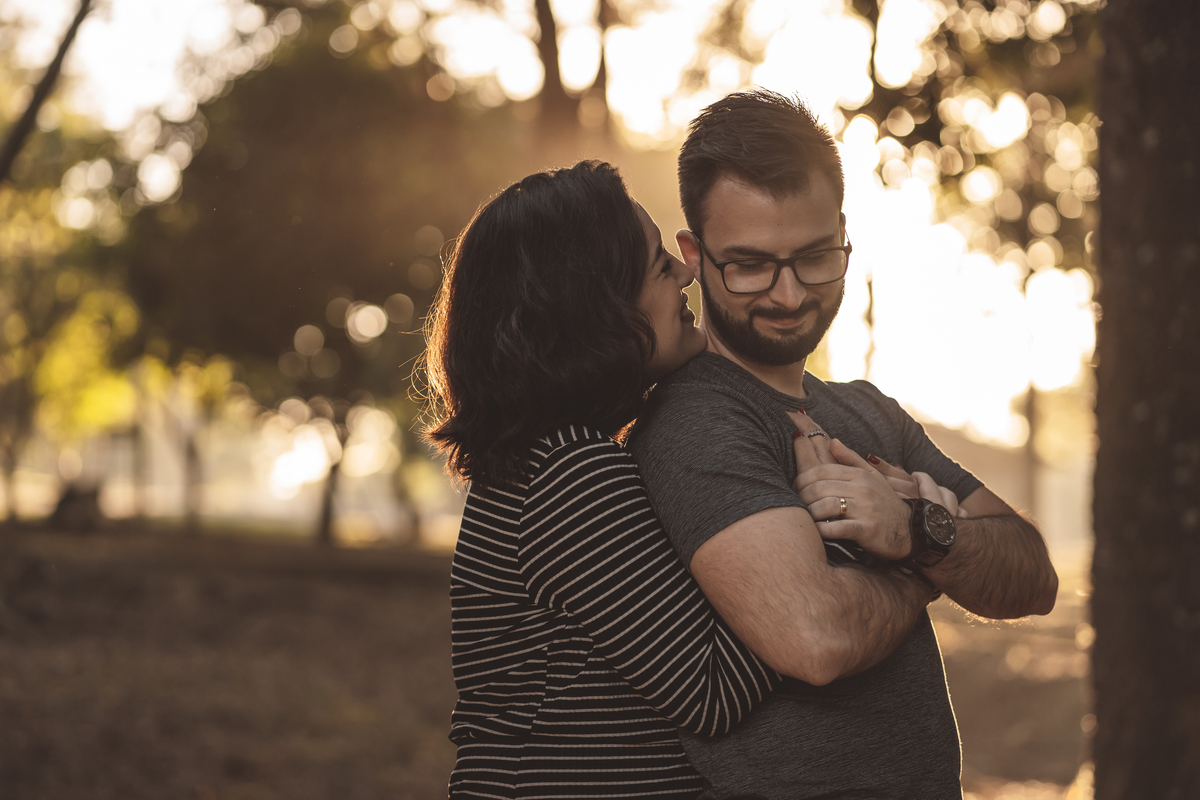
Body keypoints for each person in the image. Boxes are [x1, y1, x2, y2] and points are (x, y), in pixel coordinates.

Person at [627, 89, 1061, 799]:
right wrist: (925, 563)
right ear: (693, 255)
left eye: (814, 257)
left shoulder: (866, 413)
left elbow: (1033, 574)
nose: (790, 295)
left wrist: (918, 529)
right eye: (750, 264)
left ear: (844, 236)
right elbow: (814, 640)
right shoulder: (695, 418)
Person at [423, 161, 792, 798]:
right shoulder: (569, 469)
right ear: (595, 308)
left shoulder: (550, 459)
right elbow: (711, 693)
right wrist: (851, 537)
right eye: (658, 265)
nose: (687, 271)